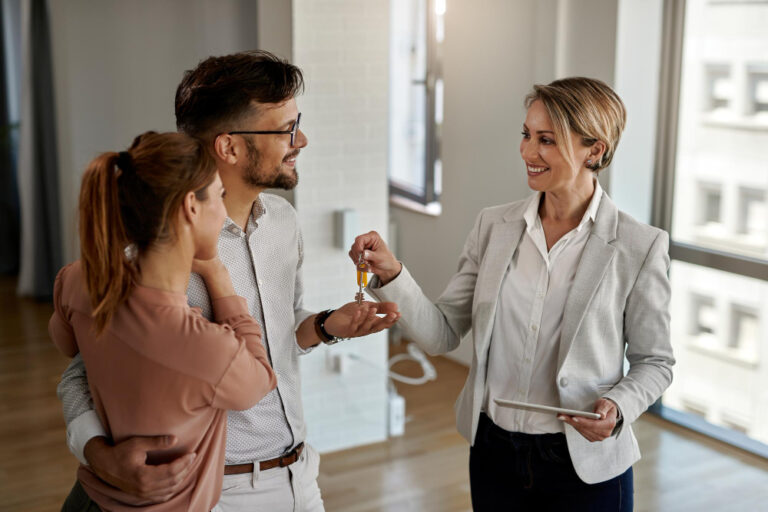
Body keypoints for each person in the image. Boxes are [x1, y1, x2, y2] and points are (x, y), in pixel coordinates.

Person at [57, 51, 400, 512]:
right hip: (214, 492)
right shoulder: (156, 260)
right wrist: (95, 452)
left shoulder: (282, 221)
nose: (303, 139)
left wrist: (323, 326)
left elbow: (275, 337)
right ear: (230, 147)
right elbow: (82, 372)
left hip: (300, 475)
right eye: (286, 129)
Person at [351, 77, 675, 511]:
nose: (527, 152)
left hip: (584, 464)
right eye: (526, 135)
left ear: (594, 150)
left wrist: (618, 406)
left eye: (547, 140)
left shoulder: (639, 245)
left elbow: (656, 361)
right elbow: (443, 332)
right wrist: (391, 274)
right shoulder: (493, 227)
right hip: (494, 454)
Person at [51, 132, 277, 511]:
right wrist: (220, 278)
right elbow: (259, 382)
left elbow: (68, 348)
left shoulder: (76, 279)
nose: (224, 211)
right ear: (191, 206)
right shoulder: (206, 347)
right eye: (219, 195)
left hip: (86, 502)